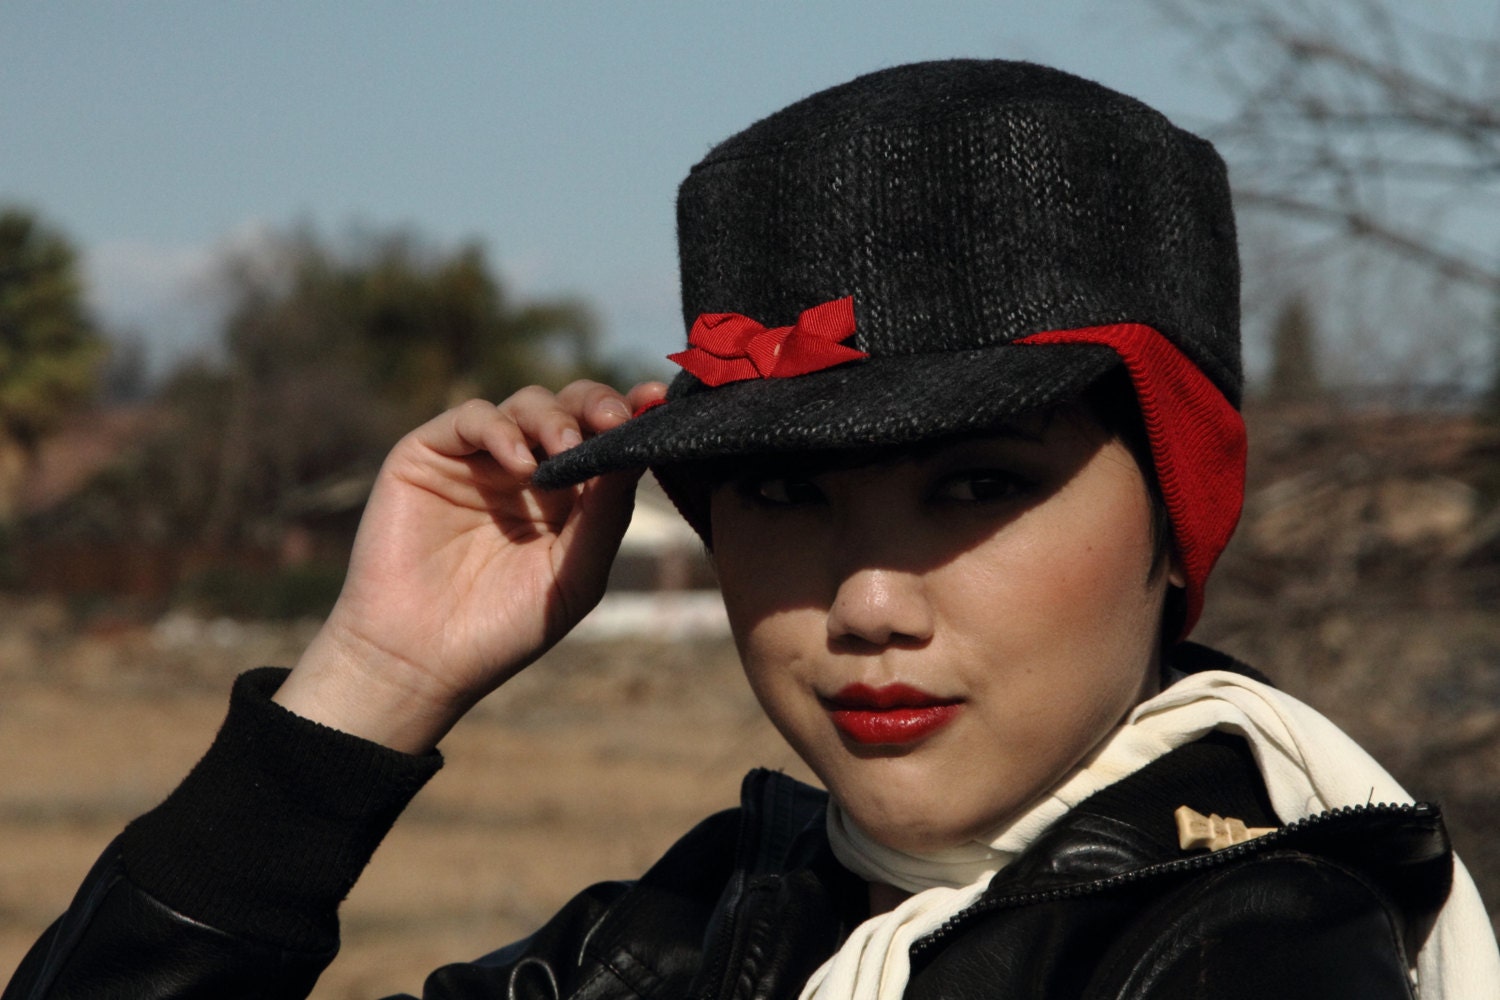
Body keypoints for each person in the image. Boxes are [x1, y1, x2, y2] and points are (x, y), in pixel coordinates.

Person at [6, 59, 1498, 1000]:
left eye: (975, 487)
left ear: (1178, 516)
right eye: (783, 495)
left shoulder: (1250, 953)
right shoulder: (704, 921)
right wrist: (374, 683)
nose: (866, 602)